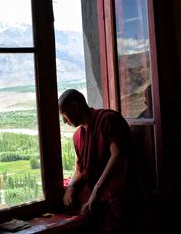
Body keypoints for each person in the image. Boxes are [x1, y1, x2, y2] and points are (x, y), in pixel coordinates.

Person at [58, 89, 138, 234]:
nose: (64, 121)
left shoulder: (108, 120)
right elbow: (79, 170)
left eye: (64, 115)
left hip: (116, 191)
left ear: (75, 107)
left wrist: (96, 190)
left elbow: (118, 156)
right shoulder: (78, 136)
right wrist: (70, 188)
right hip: (96, 193)